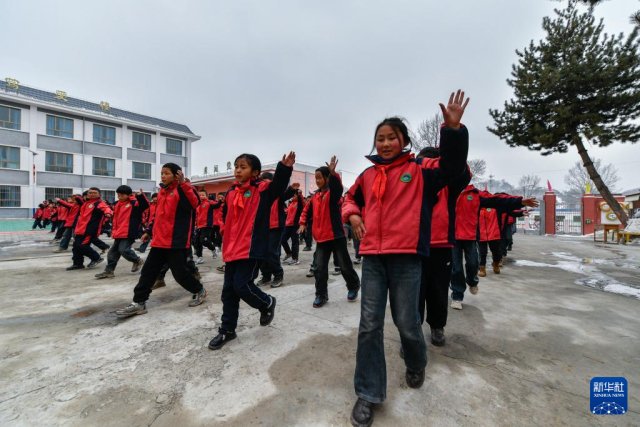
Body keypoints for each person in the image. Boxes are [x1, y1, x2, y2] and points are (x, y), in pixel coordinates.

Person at [343, 90, 470, 427]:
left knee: (407, 322)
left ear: (403, 141)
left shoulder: (420, 171)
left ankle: (416, 362)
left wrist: (453, 131)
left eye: (391, 138)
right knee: (369, 326)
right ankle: (368, 393)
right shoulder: (367, 176)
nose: (384, 144)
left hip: (406, 260)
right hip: (372, 259)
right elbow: (349, 198)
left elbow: (453, 167)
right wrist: (354, 216)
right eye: (380, 139)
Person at [208, 152, 295, 350]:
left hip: (251, 248)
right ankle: (227, 330)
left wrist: (284, 168)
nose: (238, 170)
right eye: (236, 166)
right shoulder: (231, 192)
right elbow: (224, 215)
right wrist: (223, 229)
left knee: (242, 285)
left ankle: (266, 303)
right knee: (228, 292)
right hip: (232, 248)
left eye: (243, 167)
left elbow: (278, 187)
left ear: (255, 172)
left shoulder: (262, 190)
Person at [115, 163, 208, 318]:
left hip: (176, 241)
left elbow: (194, 203)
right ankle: (139, 302)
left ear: (176, 174)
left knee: (180, 274)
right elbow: (158, 216)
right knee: (147, 272)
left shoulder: (183, 189)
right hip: (159, 241)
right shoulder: (163, 191)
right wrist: (149, 231)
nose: (163, 176)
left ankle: (199, 290)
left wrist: (183, 183)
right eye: (161, 173)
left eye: (166, 173)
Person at [450, 186, 537, 309]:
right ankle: (457, 296)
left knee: (473, 263)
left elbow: (498, 200)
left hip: (472, 236)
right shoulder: (447, 189)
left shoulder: (475, 194)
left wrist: (519, 201)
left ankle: (473, 281)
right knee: (456, 268)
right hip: (454, 237)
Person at [299, 157, 361, 308]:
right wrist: (302, 223)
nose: (317, 180)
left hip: (336, 236)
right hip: (321, 239)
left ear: (327, 178)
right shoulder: (315, 197)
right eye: (316, 178)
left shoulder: (333, 195)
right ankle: (321, 295)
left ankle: (353, 286)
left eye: (320, 177)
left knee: (345, 266)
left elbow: (338, 188)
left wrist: (334, 174)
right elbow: (306, 211)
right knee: (320, 269)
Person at [94, 186, 148, 279]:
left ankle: (137, 260)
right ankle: (109, 271)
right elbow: (115, 219)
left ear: (128, 194)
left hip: (129, 232)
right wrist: (113, 231)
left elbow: (145, 206)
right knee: (112, 252)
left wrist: (140, 196)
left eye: (122, 194)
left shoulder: (134, 203)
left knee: (123, 250)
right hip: (119, 232)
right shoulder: (118, 204)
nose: (119, 196)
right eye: (118, 194)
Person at [257, 173, 296, 288]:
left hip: (276, 227)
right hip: (262, 227)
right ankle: (266, 276)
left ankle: (278, 274)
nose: (266, 184)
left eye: (269, 181)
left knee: (271, 252)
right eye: (264, 181)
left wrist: (291, 189)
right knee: (261, 253)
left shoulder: (278, 193)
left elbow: (286, 195)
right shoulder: (260, 194)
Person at [66, 188, 112, 270]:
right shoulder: (86, 203)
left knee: (82, 246)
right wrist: (76, 197)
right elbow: (80, 201)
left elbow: (106, 208)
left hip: (90, 230)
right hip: (80, 229)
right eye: (90, 193)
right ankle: (77, 264)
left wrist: (108, 213)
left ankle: (96, 258)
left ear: (99, 194)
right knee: (76, 247)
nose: (92, 194)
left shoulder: (99, 203)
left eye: (95, 193)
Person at [193, 190, 222, 264]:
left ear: (206, 196)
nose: (201, 196)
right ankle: (200, 257)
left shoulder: (209, 202)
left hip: (207, 226)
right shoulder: (198, 204)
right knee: (196, 241)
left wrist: (220, 201)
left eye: (203, 195)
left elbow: (217, 205)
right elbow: (196, 215)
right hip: (199, 226)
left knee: (204, 240)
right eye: (200, 195)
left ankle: (213, 249)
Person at [281, 186, 304, 266]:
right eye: (292, 195)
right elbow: (286, 211)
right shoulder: (291, 204)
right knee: (283, 240)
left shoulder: (299, 204)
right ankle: (289, 253)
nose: (293, 196)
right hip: (287, 225)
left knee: (295, 242)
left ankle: (295, 259)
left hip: (295, 225)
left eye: (294, 195)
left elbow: (301, 201)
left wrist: (299, 193)